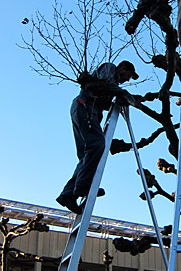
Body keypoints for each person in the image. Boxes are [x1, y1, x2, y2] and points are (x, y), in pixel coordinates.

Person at [56, 60, 139, 214]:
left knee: (86, 156)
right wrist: (123, 94)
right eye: (129, 75)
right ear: (123, 68)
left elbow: (104, 99)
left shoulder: (109, 85)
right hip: (85, 106)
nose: (127, 79)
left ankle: (67, 195)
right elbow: (108, 84)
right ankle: (83, 186)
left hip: (84, 109)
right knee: (97, 144)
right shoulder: (109, 68)